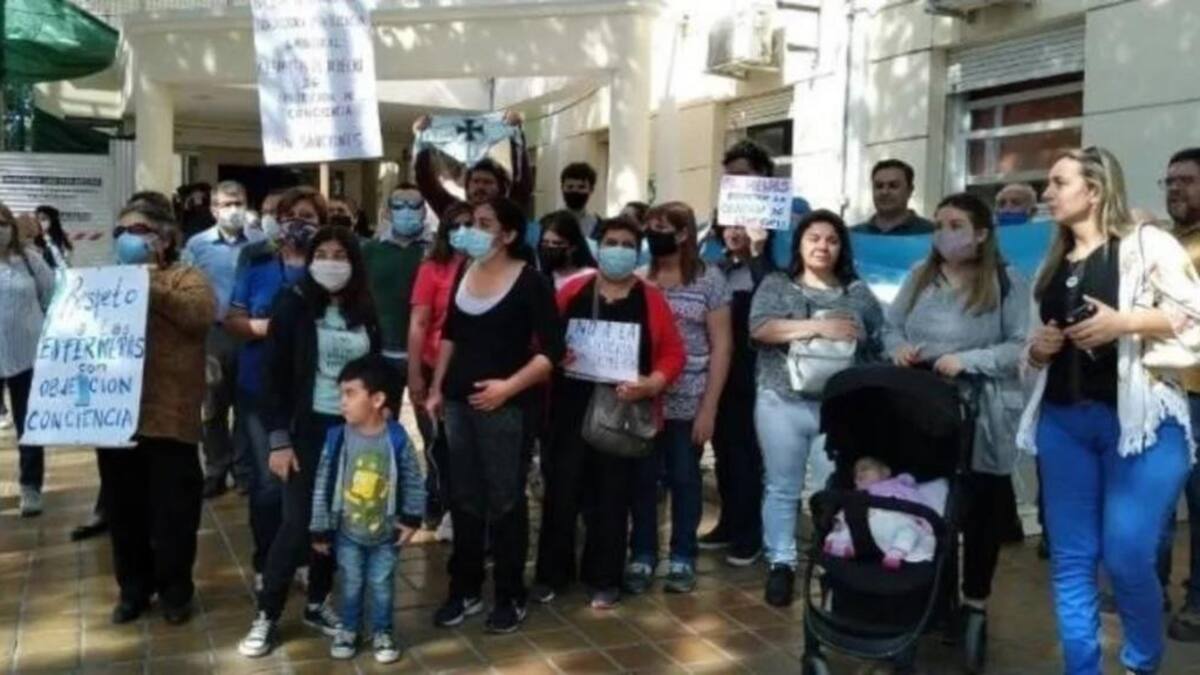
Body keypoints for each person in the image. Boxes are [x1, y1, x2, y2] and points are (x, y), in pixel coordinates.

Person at [1018, 146, 1200, 675]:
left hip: (1143, 425)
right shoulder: (1052, 261)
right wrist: (1038, 349)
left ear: (1093, 189)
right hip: (1063, 423)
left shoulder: (1146, 244)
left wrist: (1125, 323)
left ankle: (1141, 664)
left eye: (1057, 182)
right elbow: (1029, 347)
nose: (1045, 193)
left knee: (1126, 557)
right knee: (1072, 562)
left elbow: (1191, 314)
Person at [884, 192, 1030, 634]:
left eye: (955, 226)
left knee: (980, 513)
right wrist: (898, 349)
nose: (943, 234)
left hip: (980, 410)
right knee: (928, 503)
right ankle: (933, 596)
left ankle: (975, 603)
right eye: (939, 225)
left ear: (981, 234)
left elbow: (1017, 345)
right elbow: (891, 327)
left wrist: (971, 360)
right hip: (922, 406)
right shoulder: (921, 276)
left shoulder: (1006, 281)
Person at [238, 226, 382, 658]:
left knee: (335, 523)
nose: (332, 261)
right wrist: (279, 441)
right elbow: (272, 377)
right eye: (323, 252)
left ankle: (318, 603)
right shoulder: (293, 304)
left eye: (341, 253)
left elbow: (375, 366)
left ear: (354, 262)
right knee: (298, 524)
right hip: (307, 430)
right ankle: (267, 614)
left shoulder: (363, 309)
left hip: (353, 432)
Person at [425, 197, 564, 634]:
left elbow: (553, 352)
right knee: (464, 497)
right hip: (458, 404)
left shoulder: (530, 282)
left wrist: (508, 388)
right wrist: (436, 388)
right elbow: (450, 334)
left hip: (506, 408)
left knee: (505, 500)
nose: (471, 230)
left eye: (484, 223)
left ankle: (509, 594)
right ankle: (463, 588)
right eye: (469, 223)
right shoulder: (465, 273)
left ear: (508, 234)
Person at [532, 217, 686, 609]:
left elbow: (673, 353)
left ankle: (604, 578)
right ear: (597, 247)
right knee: (561, 493)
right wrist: (556, 353)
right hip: (569, 407)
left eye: (626, 244)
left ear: (636, 253)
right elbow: (544, 337)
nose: (617, 250)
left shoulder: (651, 298)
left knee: (613, 495)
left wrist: (652, 383)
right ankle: (553, 574)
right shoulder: (573, 290)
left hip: (623, 412)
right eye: (610, 242)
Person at [748, 209, 885, 606]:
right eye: (814, 238)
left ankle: (830, 563)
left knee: (833, 488)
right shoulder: (777, 284)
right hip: (780, 400)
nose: (822, 246)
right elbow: (760, 328)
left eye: (831, 239)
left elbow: (877, 337)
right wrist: (819, 327)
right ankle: (781, 562)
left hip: (838, 408)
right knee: (781, 486)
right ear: (799, 245)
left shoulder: (856, 291)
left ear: (841, 247)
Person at [102, 201, 216, 625]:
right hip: (115, 418)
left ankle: (175, 591)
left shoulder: (187, 278)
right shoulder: (103, 281)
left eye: (139, 229)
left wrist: (146, 284)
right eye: (122, 231)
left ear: (164, 239)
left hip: (170, 417)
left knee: (174, 515)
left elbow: (199, 317)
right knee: (124, 512)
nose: (128, 238)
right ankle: (133, 589)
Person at [625, 202, 732, 596]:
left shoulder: (709, 280)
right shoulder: (638, 279)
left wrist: (710, 407)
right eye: (649, 226)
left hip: (690, 398)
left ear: (684, 233)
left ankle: (683, 556)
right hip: (644, 399)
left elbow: (722, 346)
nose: (654, 233)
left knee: (685, 479)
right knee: (643, 480)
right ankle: (643, 554)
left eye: (662, 227)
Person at [225, 186, 326, 590]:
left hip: (314, 392)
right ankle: (267, 560)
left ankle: (302, 556)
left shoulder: (329, 263)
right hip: (259, 389)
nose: (298, 223)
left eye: (308, 216)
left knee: (307, 479)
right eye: (289, 215)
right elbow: (234, 321)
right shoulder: (256, 261)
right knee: (269, 483)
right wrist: (274, 330)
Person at [310, 355, 425, 663]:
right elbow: (322, 484)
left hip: (386, 533)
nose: (342, 402)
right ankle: (349, 629)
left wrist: (412, 518)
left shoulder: (397, 439)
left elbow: (414, 479)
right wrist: (319, 528)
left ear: (377, 399)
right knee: (351, 582)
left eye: (350, 394)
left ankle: (383, 631)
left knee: (382, 584)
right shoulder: (337, 438)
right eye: (340, 394)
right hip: (348, 531)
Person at [698, 138, 778, 563]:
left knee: (749, 447)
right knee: (727, 445)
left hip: (758, 360)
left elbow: (779, 291)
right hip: (720, 354)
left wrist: (761, 250)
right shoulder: (717, 229)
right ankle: (729, 521)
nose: (736, 182)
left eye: (745, 174)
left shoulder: (784, 227)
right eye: (730, 175)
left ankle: (751, 531)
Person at [184, 180, 264, 499]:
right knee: (212, 406)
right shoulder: (197, 245)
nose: (234, 209)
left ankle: (245, 471)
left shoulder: (261, 243)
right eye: (227, 204)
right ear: (214, 209)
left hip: (250, 333)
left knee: (249, 406)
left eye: (239, 202)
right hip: (213, 334)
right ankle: (217, 468)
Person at [408, 201, 472, 537]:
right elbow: (419, 322)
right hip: (435, 369)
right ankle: (446, 507)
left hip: (475, 370)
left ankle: (458, 507)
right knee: (440, 444)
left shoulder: (488, 266)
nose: (464, 231)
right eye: (456, 225)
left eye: (470, 224)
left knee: (466, 448)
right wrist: (416, 373)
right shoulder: (433, 268)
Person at [1159, 147, 1200, 641]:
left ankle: (1198, 601)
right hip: (1160, 393)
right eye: (1169, 181)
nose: (1174, 189)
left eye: (1186, 181)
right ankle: (1149, 591)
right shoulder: (1161, 244)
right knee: (1157, 503)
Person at [0, 201, 54, 517]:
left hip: (27, 356)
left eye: (3, 222)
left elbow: (51, 297)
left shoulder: (30, 261)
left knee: (29, 426)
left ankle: (30, 486)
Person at [363, 184, 428, 397]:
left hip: (425, 354)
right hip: (382, 352)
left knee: (432, 427)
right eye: (399, 205)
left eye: (413, 205)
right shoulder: (371, 249)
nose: (406, 210)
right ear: (389, 211)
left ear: (424, 210)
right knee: (382, 422)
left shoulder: (436, 249)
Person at [413, 112, 533, 217]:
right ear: (467, 185)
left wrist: (516, 134)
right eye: (475, 181)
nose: (480, 187)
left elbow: (522, 182)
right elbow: (426, 183)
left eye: (487, 182)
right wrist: (423, 140)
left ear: (500, 186)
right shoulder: (454, 212)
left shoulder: (509, 213)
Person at [824, 458, 936, 569]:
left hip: (896, 525)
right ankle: (839, 546)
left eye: (865, 468)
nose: (859, 473)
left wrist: (924, 522)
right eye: (855, 474)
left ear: (885, 472)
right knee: (849, 523)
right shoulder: (859, 495)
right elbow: (847, 512)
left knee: (910, 531)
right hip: (869, 526)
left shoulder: (899, 487)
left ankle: (896, 553)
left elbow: (920, 504)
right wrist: (840, 519)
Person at [856, 159, 935, 235]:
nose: (885, 192)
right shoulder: (853, 236)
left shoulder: (931, 233)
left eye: (893, 186)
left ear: (910, 190)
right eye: (879, 186)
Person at [537, 210, 597, 290]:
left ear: (573, 247)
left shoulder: (591, 279)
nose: (550, 247)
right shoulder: (541, 279)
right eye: (545, 243)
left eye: (557, 243)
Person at [560, 162, 601, 238]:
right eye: (570, 187)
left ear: (591, 190)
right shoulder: (548, 222)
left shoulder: (599, 226)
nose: (575, 191)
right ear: (562, 188)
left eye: (581, 187)